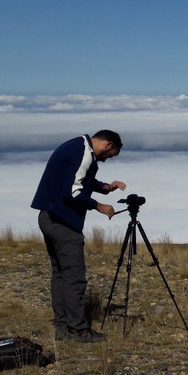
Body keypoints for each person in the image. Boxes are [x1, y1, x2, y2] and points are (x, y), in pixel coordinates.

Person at [31, 130, 127, 343]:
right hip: (63, 224)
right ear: (107, 144)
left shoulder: (78, 147)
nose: (107, 159)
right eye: (110, 155)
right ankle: (79, 330)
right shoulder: (84, 152)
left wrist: (105, 187)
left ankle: (62, 326)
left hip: (48, 217)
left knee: (60, 275)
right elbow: (73, 191)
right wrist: (98, 206)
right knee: (74, 278)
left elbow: (80, 178)